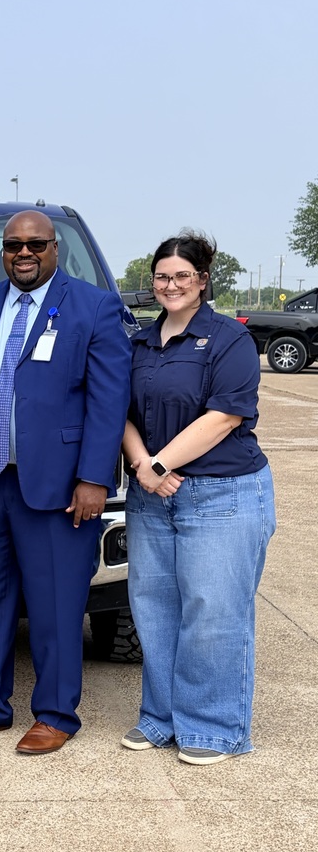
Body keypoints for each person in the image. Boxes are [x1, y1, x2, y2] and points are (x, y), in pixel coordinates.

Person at [0, 210, 132, 754]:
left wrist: (95, 477)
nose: (24, 253)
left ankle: (56, 713)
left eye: (35, 244)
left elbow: (109, 399)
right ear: (3, 251)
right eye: (14, 245)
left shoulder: (94, 307)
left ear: (55, 249)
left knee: (55, 605)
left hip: (60, 486)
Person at [121, 232, 276, 765]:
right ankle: (161, 719)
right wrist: (144, 467)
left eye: (182, 276)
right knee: (154, 610)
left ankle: (212, 727)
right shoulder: (139, 342)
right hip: (151, 496)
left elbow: (225, 415)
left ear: (203, 281)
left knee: (212, 612)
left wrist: (160, 464)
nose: (170, 285)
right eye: (162, 276)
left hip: (222, 494)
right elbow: (119, 412)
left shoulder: (230, 340)